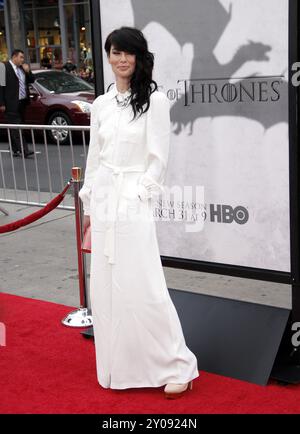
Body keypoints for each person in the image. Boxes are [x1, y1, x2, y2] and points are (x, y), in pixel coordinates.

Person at [79, 26, 199, 399]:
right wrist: (90, 201)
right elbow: (95, 158)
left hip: (131, 202)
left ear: (139, 56)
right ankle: (119, 367)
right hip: (105, 204)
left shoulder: (154, 102)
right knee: (107, 290)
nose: (121, 59)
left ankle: (180, 365)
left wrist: (138, 195)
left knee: (144, 285)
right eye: (115, 52)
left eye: (128, 52)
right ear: (108, 56)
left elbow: (157, 160)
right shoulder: (100, 105)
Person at [0, 49, 34, 157]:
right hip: (10, 103)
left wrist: (28, 71)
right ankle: (24, 150)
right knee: (16, 127)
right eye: (21, 57)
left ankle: (14, 148)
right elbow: (1, 87)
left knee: (18, 126)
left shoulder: (23, 68)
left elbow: (32, 80)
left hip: (22, 102)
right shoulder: (4, 67)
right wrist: (2, 103)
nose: (22, 60)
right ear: (14, 57)